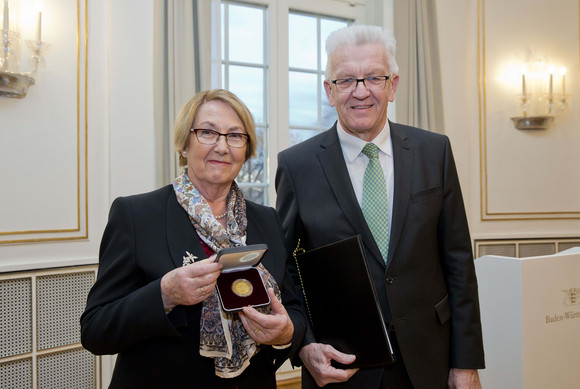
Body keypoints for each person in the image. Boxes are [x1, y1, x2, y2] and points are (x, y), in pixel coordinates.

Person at [275, 25, 484, 389]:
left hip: (429, 360)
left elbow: (459, 264)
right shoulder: (297, 165)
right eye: (346, 80)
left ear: (393, 85)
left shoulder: (434, 153)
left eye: (373, 77)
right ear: (329, 91)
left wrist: (465, 364)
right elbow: (284, 267)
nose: (361, 92)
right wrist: (305, 345)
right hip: (341, 367)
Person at [81, 89, 306, 388]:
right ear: (184, 144)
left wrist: (286, 332)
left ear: (246, 149)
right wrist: (164, 295)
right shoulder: (136, 215)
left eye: (235, 136)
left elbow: (294, 308)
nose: (222, 147)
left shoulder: (267, 219)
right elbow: (95, 329)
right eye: (208, 132)